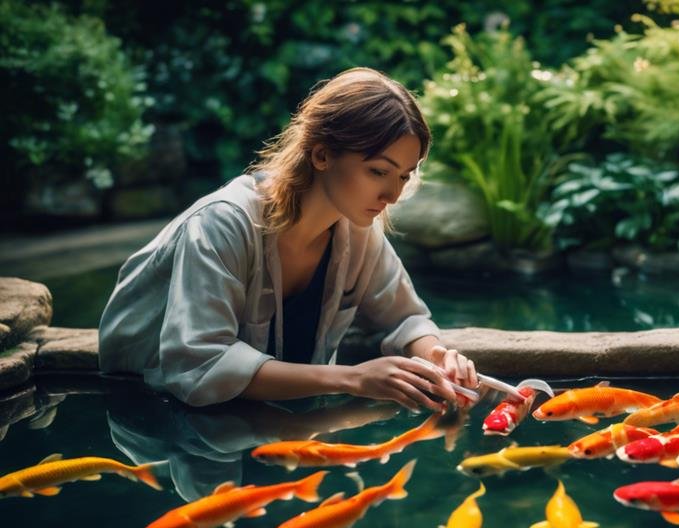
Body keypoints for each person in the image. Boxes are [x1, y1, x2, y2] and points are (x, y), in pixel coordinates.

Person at [98, 67, 477, 409]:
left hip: (265, 424)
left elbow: (405, 317)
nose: (393, 195)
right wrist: (353, 379)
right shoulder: (223, 224)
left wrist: (435, 355)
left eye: (404, 176)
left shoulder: (358, 229)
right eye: (379, 171)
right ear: (322, 155)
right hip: (143, 415)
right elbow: (199, 364)